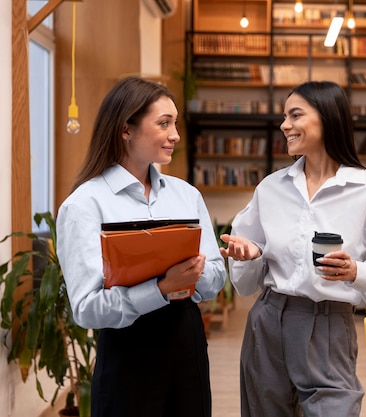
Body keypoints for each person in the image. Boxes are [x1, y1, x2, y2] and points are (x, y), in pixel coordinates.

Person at [220, 80, 366, 417]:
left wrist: (356, 271)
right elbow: (246, 282)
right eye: (284, 116)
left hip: (329, 325)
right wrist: (251, 254)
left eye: (295, 115)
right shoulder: (271, 188)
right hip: (267, 321)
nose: (285, 125)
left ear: (327, 118)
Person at [56, 76, 226, 417]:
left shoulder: (186, 195)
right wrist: (162, 288)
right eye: (164, 124)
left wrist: (195, 275)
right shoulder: (84, 205)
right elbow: (87, 309)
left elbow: (216, 279)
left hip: (187, 344)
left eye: (175, 123)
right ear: (125, 130)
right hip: (127, 352)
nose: (175, 135)